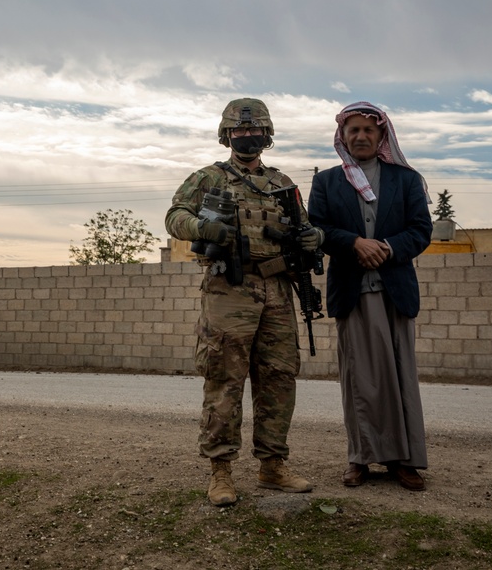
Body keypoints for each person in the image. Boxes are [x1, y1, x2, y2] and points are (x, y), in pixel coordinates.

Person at [165, 97, 322, 506]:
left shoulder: (283, 184)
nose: (247, 137)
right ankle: (221, 472)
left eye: (254, 131)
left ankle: (272, 466)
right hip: (228, 290)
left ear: (266, 135)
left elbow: (304, 227)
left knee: (278, 379)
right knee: (224, 379)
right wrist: (204, 227)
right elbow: (174, 216)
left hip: (277, 291)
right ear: (227, 135)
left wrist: (313, 238)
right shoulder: (208, 178)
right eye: (239, 131)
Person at [307, 101, 433, 492]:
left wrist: (387, 248)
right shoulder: (327, 181)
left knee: (399, 378)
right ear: (342, 137)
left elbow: (420, 230)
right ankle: (359, 458)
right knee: (359, 380)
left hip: (395, 292)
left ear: (381, 136)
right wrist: (355, 243)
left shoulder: (405, 180)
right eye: (353, 130)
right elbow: (318, 229)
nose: (360, 136)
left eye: (368, 130)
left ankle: (404, 461)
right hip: (352, 292)